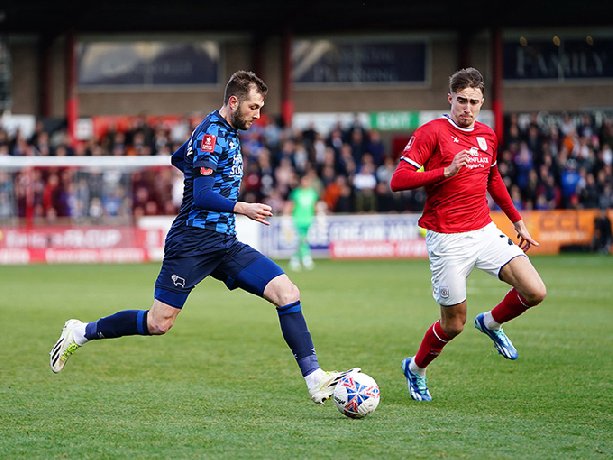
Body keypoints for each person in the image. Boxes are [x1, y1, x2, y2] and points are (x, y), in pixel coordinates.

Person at [50, 70, 357, 404]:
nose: (257, 115)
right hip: (192, 241)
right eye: (253, 107)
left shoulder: (221, 131)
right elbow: (202, 196)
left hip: (223, 242)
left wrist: (200, 171)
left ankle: (315, 379)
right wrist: (243, 207)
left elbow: (178, 157)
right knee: (159, 323)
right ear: (234, 101)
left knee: (286, 292)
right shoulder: (212, 133)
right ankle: (80, 332)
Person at [390, 67, 547, 402]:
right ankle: (416, 369)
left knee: (535, 291)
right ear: (450, 98)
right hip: (447, 240)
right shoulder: (431, 133)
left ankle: (490, 323)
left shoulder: (488, 135)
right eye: (461, 100)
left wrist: (516, 220)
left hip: (484, 231)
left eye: (474, 102)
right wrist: (443, 172)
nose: (467, 108)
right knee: (452, 325)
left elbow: (492, 179)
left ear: (482, 102)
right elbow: (398, 180)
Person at [286, 172, 319, 271]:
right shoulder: (296, 193)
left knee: (304, 240)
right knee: (301, 240)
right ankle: (303, 259)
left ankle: (297, 259)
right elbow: (291, 205)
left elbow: (314, 206)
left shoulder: (313, 193)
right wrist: (287, 217)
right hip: (298, 219)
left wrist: (317, 217)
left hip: (309, 220)